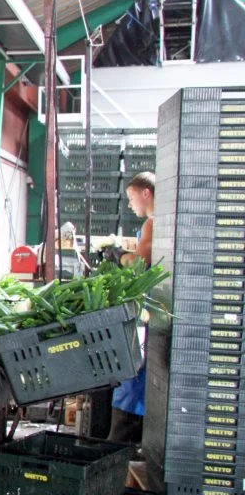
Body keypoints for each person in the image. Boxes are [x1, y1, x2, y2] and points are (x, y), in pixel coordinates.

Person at [109, 171, 155, 443]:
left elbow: (140, 263)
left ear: (145, 193)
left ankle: (119, 443)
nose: (130, 204)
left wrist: (119, 255)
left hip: (150, 313)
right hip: (149, 307)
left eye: (131, 198)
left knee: (134, 375)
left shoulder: (153, 222)